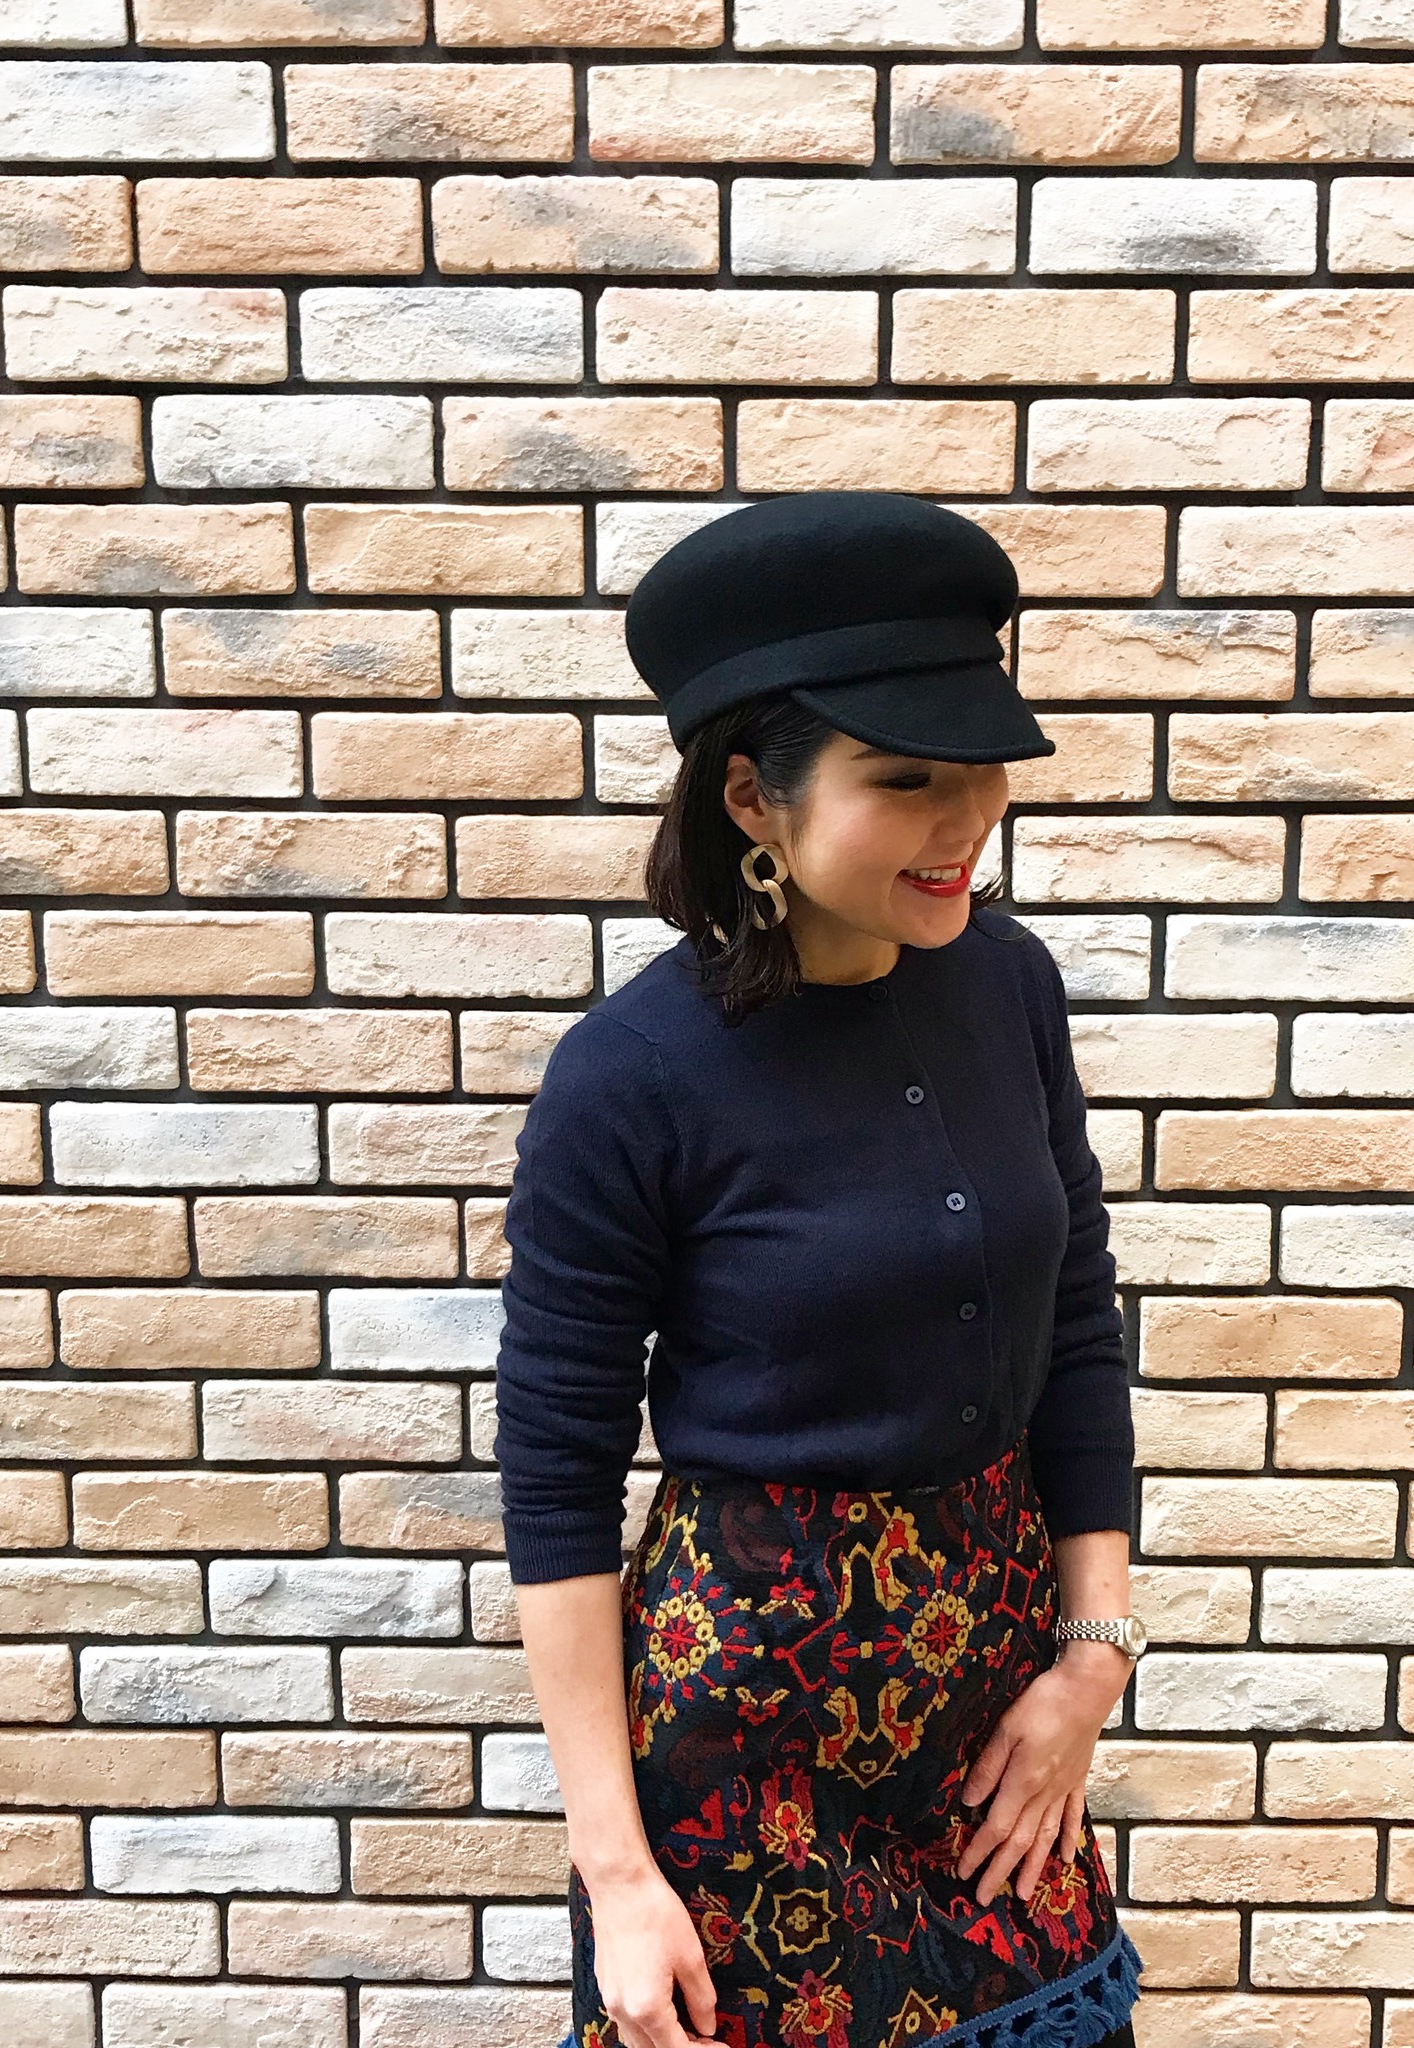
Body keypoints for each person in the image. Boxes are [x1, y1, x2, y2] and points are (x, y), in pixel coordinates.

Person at [493, 491, 1146, 2048]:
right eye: (905, 779)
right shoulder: (630, 1078)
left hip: (995, 1701)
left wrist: (1092, 1658)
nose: (966, 818)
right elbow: (557, 1479)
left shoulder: (1008, 987)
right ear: (754, 798)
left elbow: (1075, 1321)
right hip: (748, 1750)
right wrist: (616, 1876)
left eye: (981, 766)